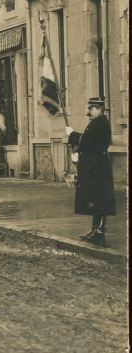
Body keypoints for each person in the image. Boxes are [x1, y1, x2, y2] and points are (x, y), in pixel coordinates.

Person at [65, 97, 116, 246]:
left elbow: (87, 141)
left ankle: (99, 231)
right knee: (94, 198)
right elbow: (87, 143)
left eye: (91, 108)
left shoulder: (101, 124)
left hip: (99, 168)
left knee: (100, 199)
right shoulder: (95, 123)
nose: (88, 112)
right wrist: (78, 153)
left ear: (99, 110)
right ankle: (94, 229)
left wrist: (72, 134)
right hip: (94, 167)